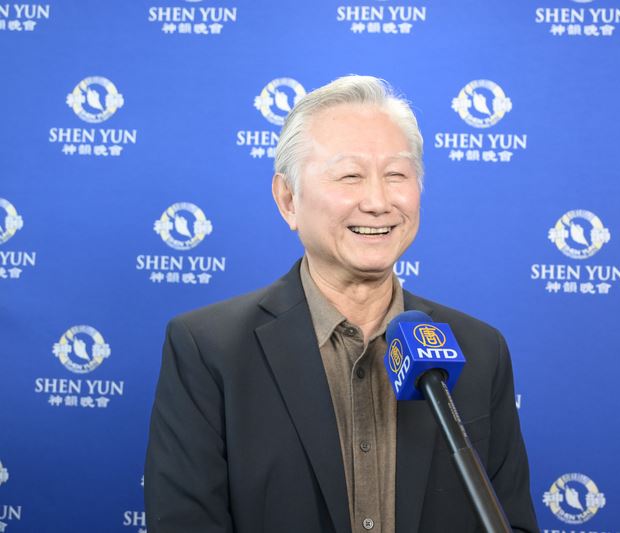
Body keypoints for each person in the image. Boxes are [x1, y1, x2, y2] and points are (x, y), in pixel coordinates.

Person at [144, 75, 539, 533]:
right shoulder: (210, 350)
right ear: (288, 199)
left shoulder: (480, 350)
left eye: (396, 175)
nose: (378, 201)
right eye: (350, 175)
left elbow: (512, 521)